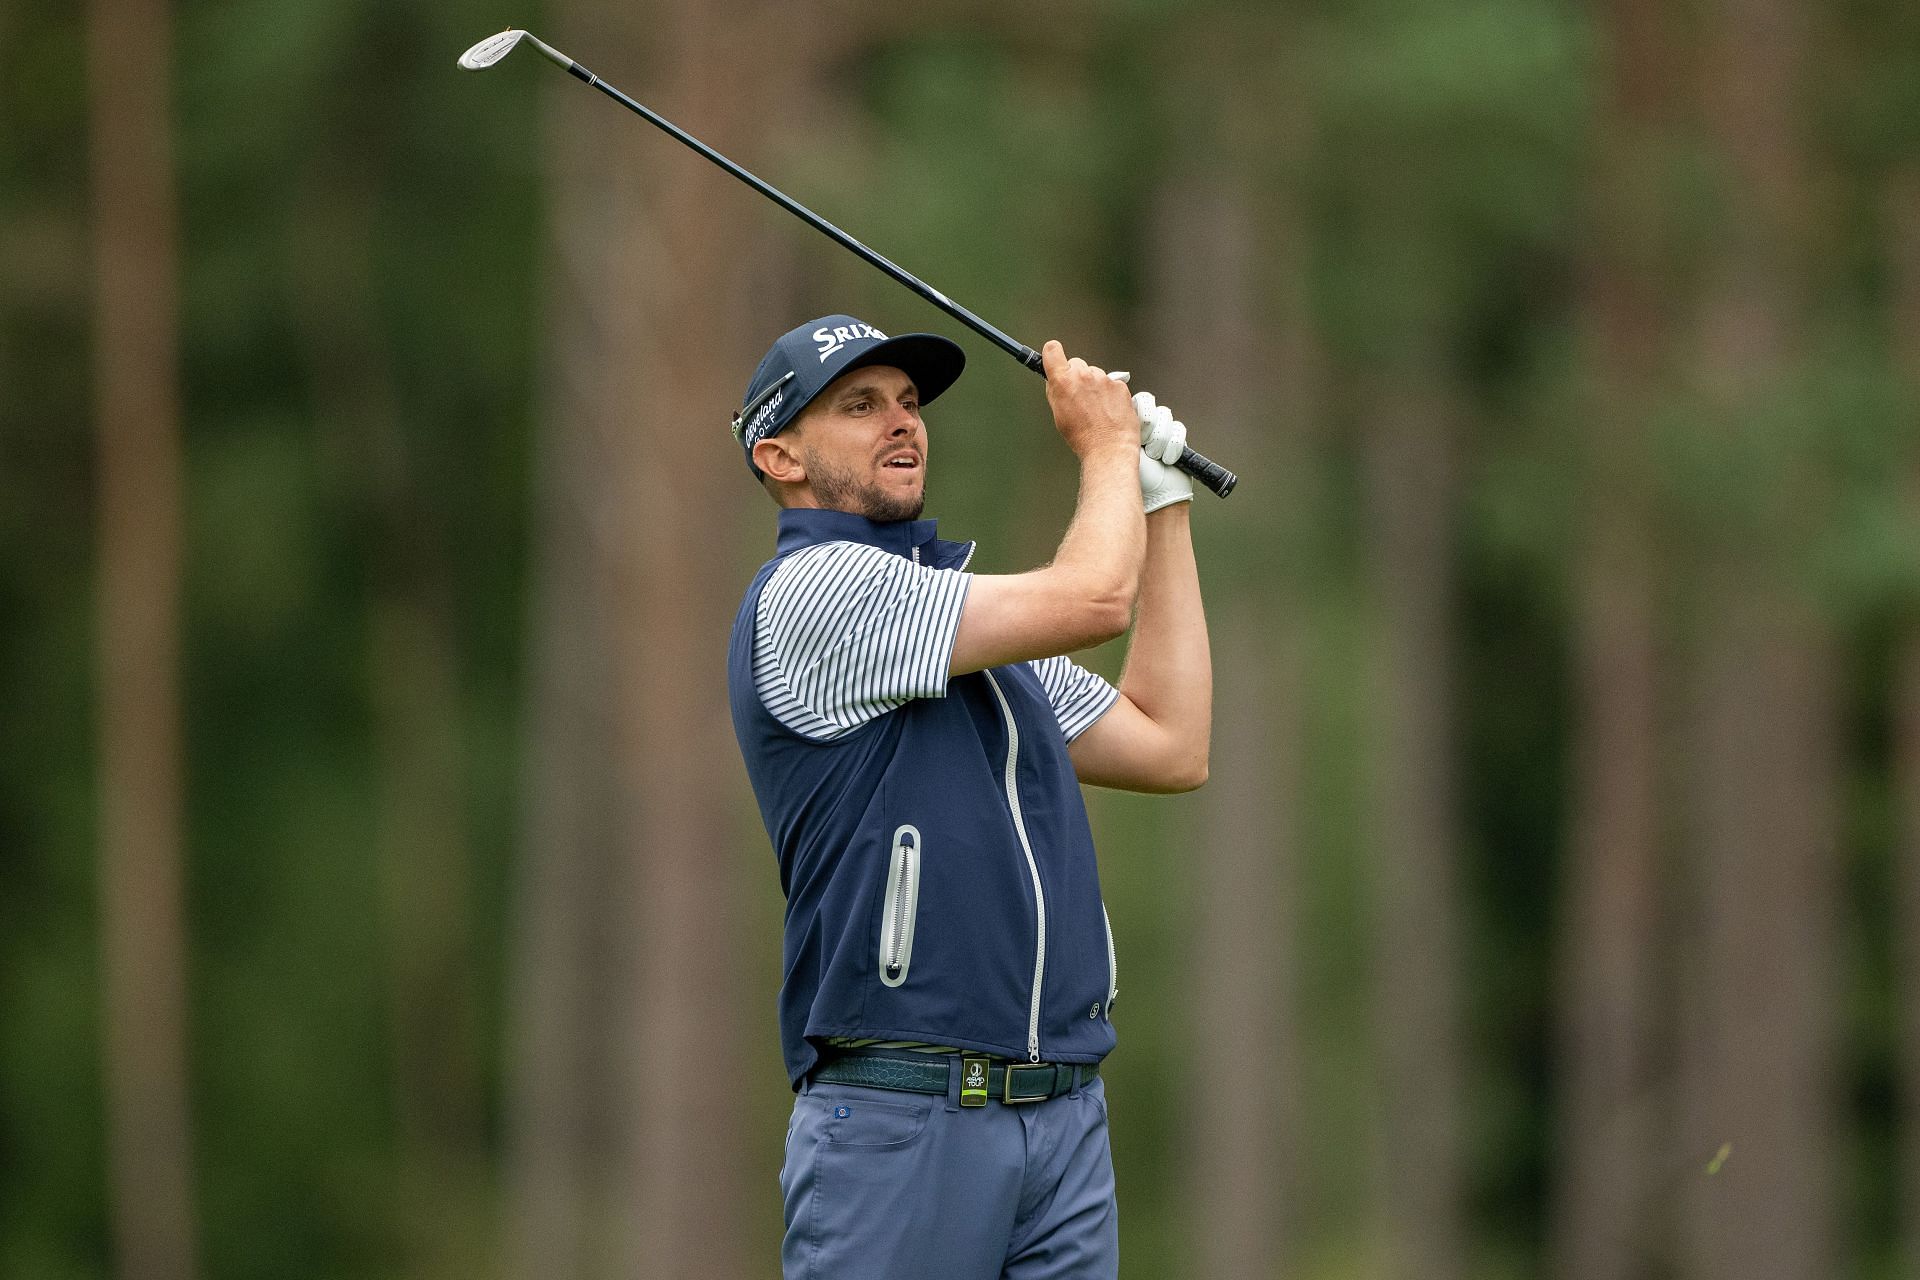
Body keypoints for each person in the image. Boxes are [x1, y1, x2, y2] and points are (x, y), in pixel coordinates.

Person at [726, 313, 1212, 1280]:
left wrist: (1162, 504)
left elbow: (1171, 741)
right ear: (778, 456)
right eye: (860, 406)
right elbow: (1094, 601)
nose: (901, 422)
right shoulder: (812, 593)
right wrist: (1108, 450)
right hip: (902, 1115)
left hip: (1063, 1115)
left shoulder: (974, 641)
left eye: (909, 403)